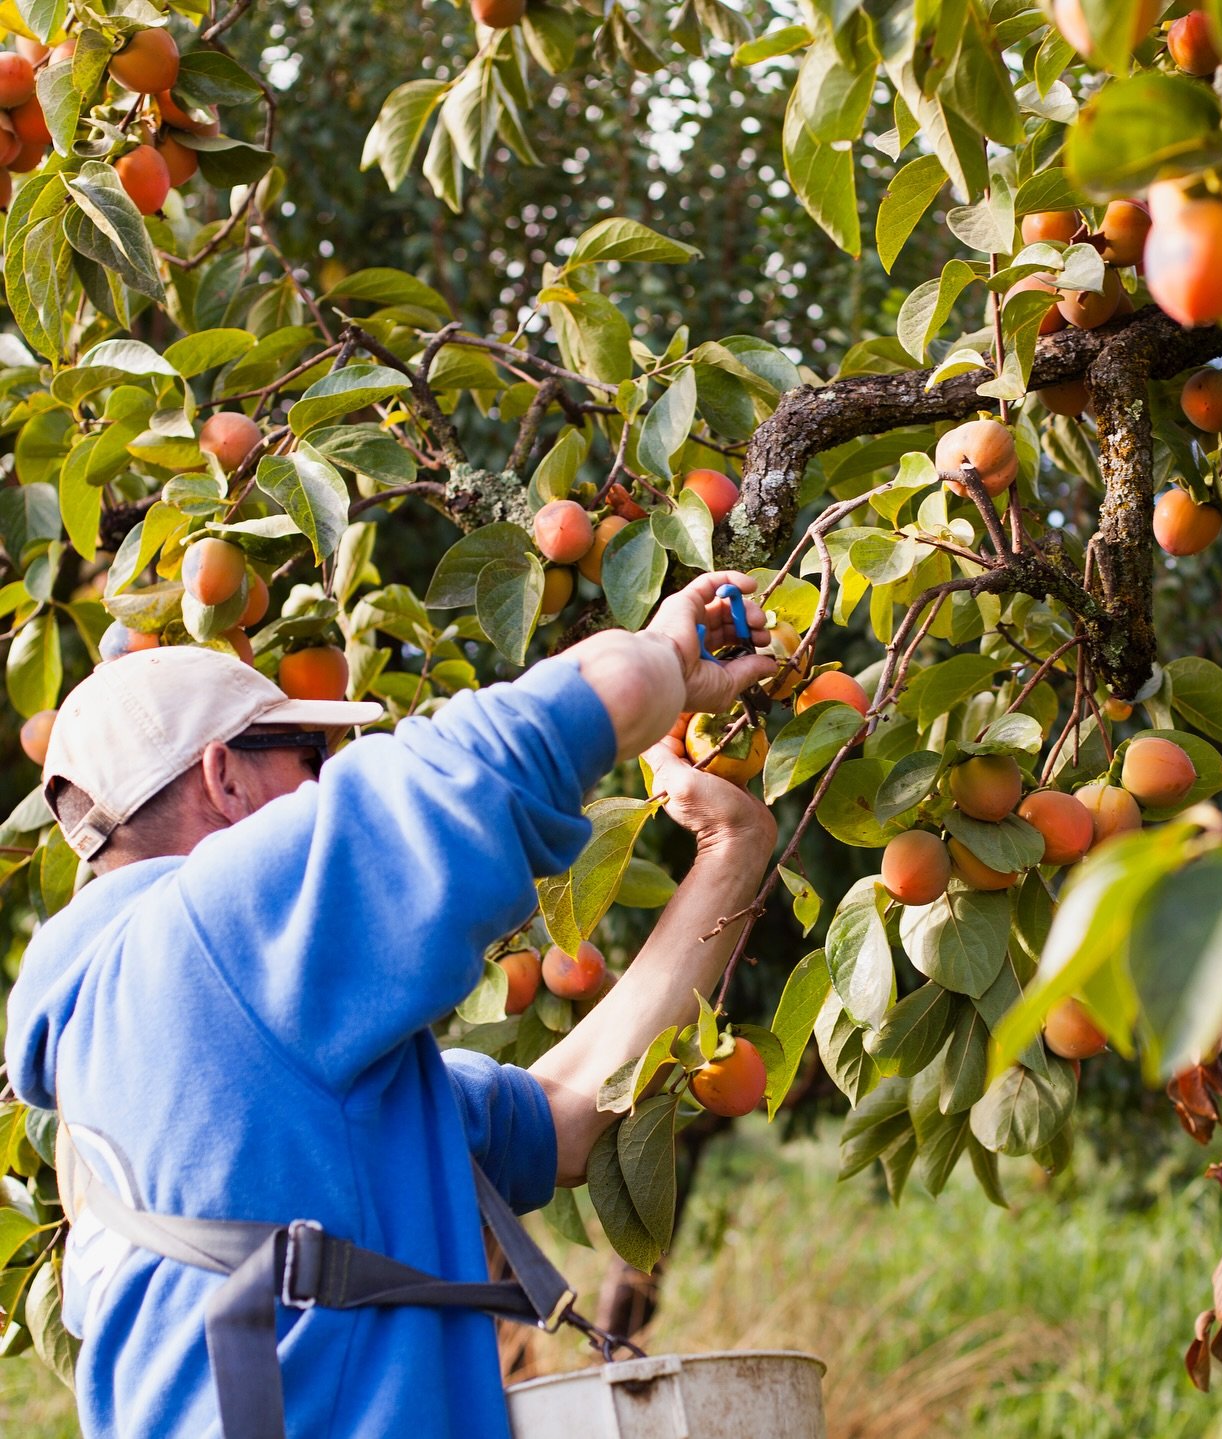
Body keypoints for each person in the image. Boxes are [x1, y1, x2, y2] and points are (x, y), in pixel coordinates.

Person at [4, 570, 778, 1439]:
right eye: (308, 761)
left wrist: (731, 852)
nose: (321, 789)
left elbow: (560, 1118)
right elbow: (542, 733)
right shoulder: (211, 937)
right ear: (225, 779)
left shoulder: (167, 1037)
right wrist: (671, 655)